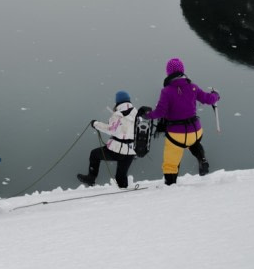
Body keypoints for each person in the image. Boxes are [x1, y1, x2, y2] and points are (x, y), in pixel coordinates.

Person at [142, 57, 220, 186]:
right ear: (182, 71)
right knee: (193, 143)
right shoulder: (192, 87)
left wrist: (147, 115)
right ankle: (202, 158)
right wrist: (216, 95)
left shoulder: (166, 91)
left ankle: (170, 185)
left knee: (170, 163)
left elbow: (160, 112)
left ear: (168, 73)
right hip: (195, 131)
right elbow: (209, 99)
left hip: (176, 135)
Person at [77, 90, 138, 189]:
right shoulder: (137, 113)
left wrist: (95, 124)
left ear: (118, 101)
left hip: (116, 151)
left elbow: (110, 129)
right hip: (131, 152)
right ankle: (125, 195)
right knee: (121, 177)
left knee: (94, 154)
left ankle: (91, 178)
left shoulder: (118, 114)